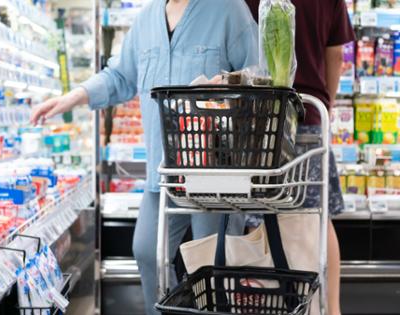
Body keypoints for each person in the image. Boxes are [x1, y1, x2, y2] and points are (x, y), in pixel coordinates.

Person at [31, 0, 258, 314]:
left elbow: (263, 70)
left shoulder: (227, 10)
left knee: (213, 267)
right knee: (147, 251)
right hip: (163, 173)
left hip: (214, 171)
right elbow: (120, 77)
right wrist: (74, 96)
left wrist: (230, 81)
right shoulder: (147, 19)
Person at [243, 1, 355, 315]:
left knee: (257, 218)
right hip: (310, 113)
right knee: (320, 219)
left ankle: (268, 305)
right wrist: (326, 103)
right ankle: (331, 309)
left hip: (261, 118)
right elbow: (335, 54)